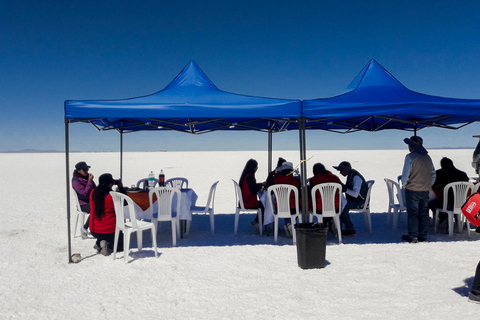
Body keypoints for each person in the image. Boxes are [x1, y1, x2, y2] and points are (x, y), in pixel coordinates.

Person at [401, 136, 436, 243]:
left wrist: (404, 185)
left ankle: (413, 236)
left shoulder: (410, 157)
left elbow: (405, 174)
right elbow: (433, 174)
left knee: (413, 213)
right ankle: (423, 236)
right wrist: (429, 184)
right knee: (424, 213)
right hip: (425, 189)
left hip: (412, 189)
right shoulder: (428, 157)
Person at [89, 173, 125, 256]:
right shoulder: (112, 196)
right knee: (122, 245)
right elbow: (125, 202)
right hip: (110, 230)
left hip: (94, 229)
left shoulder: (93, 193)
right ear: (110, 184)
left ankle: (99, 242)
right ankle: (108, 245)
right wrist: (121, 188)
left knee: (103, 232)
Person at [429, 157, 469, 229]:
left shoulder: (440, 174)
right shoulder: (463, 174)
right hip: (462, 204)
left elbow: (433, 185)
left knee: (430, 203)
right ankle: (448, 218)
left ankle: (443, 217)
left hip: (446, 204)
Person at [333, 161, 368, 237]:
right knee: (339, 205)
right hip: (353, 200)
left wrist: (345, 189)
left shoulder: (356, 177)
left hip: (359, 202)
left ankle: (350, 229)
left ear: (346, 171)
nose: (340, 173)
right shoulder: (350, 176)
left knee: (341, 208)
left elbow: (355, 194)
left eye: (341, 171)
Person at [308, 163, 342, 233]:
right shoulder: (335, 178)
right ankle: (329, 222)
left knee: (317, 203)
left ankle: (324, 224)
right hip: (335, 207)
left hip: (320, 208)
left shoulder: (314, 180)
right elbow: (343, 188)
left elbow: (311, 194)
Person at [271, 161, 301, 237]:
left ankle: (288, 224)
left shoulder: (275, 179)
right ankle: (289, 224)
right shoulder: (294, 180)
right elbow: (300, 185)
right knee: (300, 207)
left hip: (279, 208)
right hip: (293, 207)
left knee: (285, 206)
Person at [239, 159, 265, 232]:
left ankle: (257, 221)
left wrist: (261, 184)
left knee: (262, 203)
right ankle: (258, 222)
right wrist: (261, 185)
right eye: (256, 167)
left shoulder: (245, 176)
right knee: (264, 204)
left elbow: (252, 187)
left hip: (244, 200)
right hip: (248, 201)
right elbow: (253, 189)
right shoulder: (250, 177)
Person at [72, 161, 96, 238]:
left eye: (87, 169)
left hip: (92, 201)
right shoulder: (76, 181)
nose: (86, 171)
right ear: (78, 171)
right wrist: (89, 181)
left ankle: (98, 229)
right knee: (96, 209)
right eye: (84, 170)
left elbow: (94, 189)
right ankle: (85, 228)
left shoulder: (86, 178)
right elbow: (84, 193)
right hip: (83, 204)